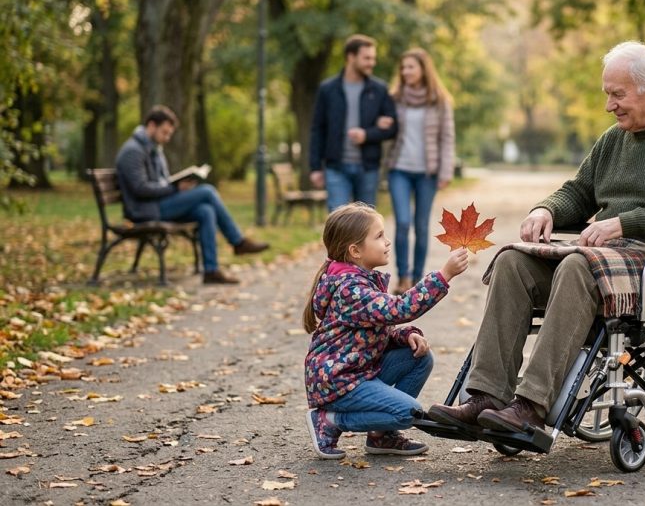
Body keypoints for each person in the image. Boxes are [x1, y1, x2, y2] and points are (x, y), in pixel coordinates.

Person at [426, 41, 645, 434]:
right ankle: (486, 396)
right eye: (608, 94)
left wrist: (624, 223)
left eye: (617, 94)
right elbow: (578, 191)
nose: (609, 105)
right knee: (513, 262)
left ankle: (532, 405)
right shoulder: (613, 139)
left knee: (576, 263)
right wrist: (545, 209)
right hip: (605, 259)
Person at [303, 202, 470, 459]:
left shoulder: (361, 280)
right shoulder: (350, 289)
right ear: (355, 250)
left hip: (357, 371)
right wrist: (444, 275)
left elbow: (375, 327)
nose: (387, 242)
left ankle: (381, 436)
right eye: (379, 236)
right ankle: (330, 420)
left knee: (419, 358)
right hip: (338, 382)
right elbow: (399, 309)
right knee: (408, 413)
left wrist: (405, 335)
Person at [114, 105, 269, 285]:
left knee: (205, 211)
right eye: (164, 132)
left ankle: (211, 271)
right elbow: (140, 189)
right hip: (144, 211)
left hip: (158, 204)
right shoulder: (133, 151)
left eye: (169, 134)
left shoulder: (153, 148)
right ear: (151, 125)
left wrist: (178, 183)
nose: (167, 138)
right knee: (207, 191)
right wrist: (176, 189)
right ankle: (238, 241)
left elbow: (159, 182)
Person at [386, 47, 456, 292]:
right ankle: (402, 276)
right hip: (399, 169)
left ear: (423, 69)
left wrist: (445, 171)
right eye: (403, 68)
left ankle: (416, 279)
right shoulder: (394, 98)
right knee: (403, 222)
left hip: (428, 172)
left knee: (422, 224)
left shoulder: (439, 101)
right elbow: (385, 128)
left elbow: (447, 137)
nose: (405, 72)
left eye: (410, 67)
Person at [309, 34, 398, 210]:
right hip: (336, 167)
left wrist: (367, 134)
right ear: (351, 57)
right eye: (367, 58)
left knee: (367, 226)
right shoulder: (328, 89)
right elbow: (317, 129)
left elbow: (393, 128)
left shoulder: (379, 89)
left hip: (368, 168)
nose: (372, 63)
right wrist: (315, 167)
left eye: (373, 58)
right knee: (338, 222)